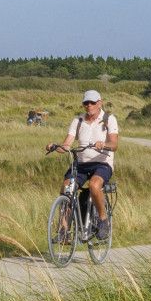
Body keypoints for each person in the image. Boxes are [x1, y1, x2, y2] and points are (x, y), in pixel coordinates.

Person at [46, 90, 119, 241]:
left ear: (100, 102)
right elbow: (67, 145)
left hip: (102, 163)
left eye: (92, 102)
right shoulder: (78, 121)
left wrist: (103, 144)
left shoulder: (108, 119)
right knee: (66, 188)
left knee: (94, 185)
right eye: (86, 103)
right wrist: (55, 146)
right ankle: (64, 231)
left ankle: (103, 220)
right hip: (81, 164)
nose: (89, 105)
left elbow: (114, 144)